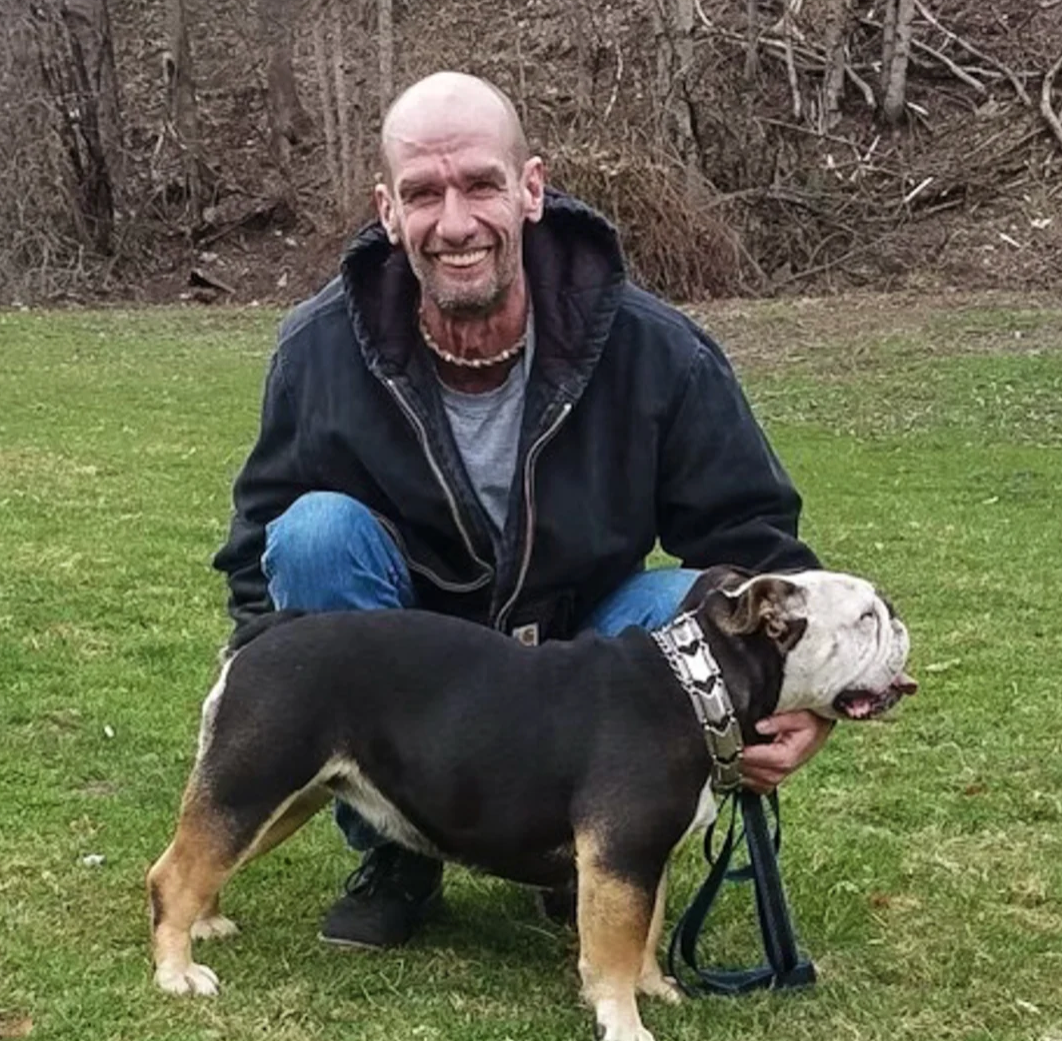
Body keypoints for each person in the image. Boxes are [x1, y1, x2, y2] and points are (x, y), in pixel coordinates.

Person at [213, 71, 832, 950]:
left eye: (480, 184)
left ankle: (602, 835)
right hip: (412, 664)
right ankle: (398, 844)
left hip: (588, 658)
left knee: (682, 601)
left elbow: (755, 540)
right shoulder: (319, 350)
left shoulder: (660, 352)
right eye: (424, 194)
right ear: (388, 212)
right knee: (314, 535)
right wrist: (259, 689)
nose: (455, 222)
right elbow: (259, 541)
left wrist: (795, 698)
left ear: (532, 188)